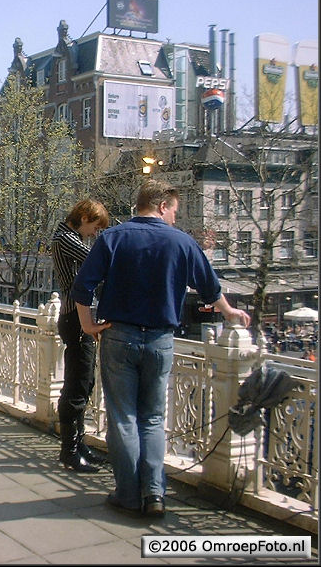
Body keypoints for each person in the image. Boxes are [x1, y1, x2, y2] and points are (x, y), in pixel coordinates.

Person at [71, 179, 250, 517]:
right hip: (160, 340)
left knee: (123, 417)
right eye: (174, 212)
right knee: (153, 418)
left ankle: (127, 494)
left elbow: (83, 286)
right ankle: (154, 493)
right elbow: (210, 287)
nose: (174, 219)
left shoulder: (113, 237)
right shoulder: (181, 242)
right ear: (163, 205)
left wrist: (87, 324)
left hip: (118, 336)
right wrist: (229, 312)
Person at [51, 199, 109, 473]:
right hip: (75, 318)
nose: (94, 234)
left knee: (84, 383)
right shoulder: (65, 238)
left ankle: (78, 444)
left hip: (76, 317)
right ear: (84, 217)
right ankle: (70, 451)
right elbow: (97, 261)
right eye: (95, 227)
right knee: (77, 385)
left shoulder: (68, 237)